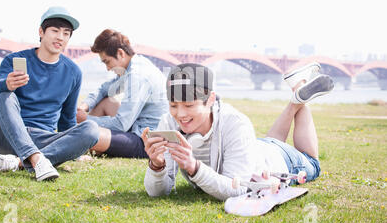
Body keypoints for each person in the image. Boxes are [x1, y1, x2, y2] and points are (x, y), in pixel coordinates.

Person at [142, 62, 334, 201]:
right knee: (271, 142)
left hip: (281, 161)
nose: (180, 114)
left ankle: (299, 94)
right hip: (257, 148)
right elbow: (158, 193)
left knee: (312, 162)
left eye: (189, 105)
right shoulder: (167, 121)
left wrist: (194, 167)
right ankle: (297, 92)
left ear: (210, 100)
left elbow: (237, 190)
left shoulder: (235, 123)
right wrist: (157, 166)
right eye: (173, 105)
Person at [0, 6, 100, 181]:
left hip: (43, 139)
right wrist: (7, 84)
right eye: (55, 31)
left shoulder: (73, 72)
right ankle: (37, 159)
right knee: (5, 96)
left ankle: (17, 163)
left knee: (91, 129)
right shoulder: (14, 60)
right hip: (7, 138)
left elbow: (67, 119)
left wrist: (75, 150)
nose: (60, 37)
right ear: (41, 31)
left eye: (66, 33)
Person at [76, 29, 168, 158]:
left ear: (120, 53)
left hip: (147, 141)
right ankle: (83, 140)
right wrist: (84, 106)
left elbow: (121, 125)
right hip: (137, 126)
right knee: (106, 102)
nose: (108, 68)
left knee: (88, 134)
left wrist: (84, 119)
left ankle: (80, 142)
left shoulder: (138, 76)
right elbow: (104, 89)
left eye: (107, 61)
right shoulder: (133, 66)